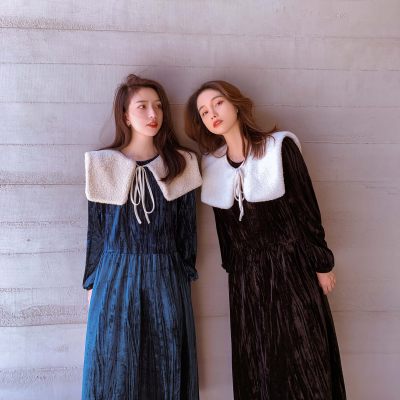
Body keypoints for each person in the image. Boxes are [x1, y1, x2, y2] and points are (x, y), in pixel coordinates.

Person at [185, 80, 346, 399]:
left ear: (235, 104)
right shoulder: (213, 166)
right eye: (204, 112)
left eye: (218, 103)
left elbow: (306, 209)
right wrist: (237, 273)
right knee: (259, 368)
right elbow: (225, 233)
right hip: (247, 281)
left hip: (292, 269)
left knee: (305, 359)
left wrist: (322, 263)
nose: (212, 113)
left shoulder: (278, 148)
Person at [82, 74, 202, 400]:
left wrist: (182, 277)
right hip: (113, 277)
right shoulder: (103, 165)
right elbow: (96, 232)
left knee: (166, 368)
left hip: (166, 276)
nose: (153, 114)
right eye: (143, 107)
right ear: (125, 115)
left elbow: (187, 233)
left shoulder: (181, 163)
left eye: (158, 106)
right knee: (113, 370)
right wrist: (92, 282)